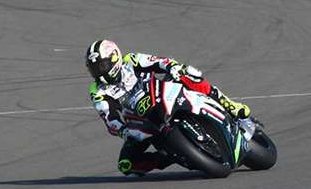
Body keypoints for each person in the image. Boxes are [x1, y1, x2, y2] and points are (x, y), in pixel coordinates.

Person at [85, 39, 249, 177]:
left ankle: (229, 104)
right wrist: (123, 131)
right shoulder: (97, 91)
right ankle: (170, 156)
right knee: (125, 165)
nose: (99, 73)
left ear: (115, 58)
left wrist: (173, 67)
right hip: (141, 121)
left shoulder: (131, 60)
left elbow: (159, 62)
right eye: (94, 69)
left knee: (189, 73)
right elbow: (109, 117)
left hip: (164, 93)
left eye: (102, 66)